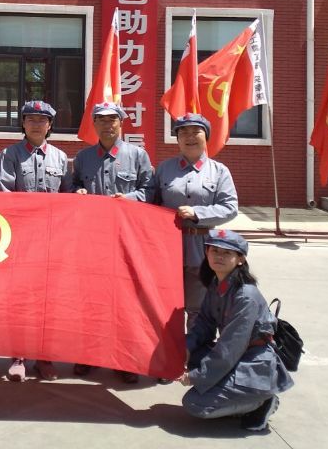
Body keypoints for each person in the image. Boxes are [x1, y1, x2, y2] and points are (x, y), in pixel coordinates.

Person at [177, 229, 293, 432]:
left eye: (227, 253)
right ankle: (236, 392)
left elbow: (230, 347)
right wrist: (187, 347)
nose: (219, 256)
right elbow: (204, 324)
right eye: (214, 251)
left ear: (240, 259)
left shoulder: (245, 295)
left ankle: (261, 401)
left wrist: (197, 376)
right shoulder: (216, 284)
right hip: (237, 354)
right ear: (207, 253)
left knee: (195, 404)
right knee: (188, 354)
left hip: (253, 360)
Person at [70, 101, 154, 383]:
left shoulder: (137, 155)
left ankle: (125, 360)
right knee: (92, 300)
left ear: (121, 123)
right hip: (92, 241)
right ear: (94, 125)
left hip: (125, 240)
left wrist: (127, 199)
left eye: (112, 120)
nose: (107, 125)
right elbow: (73, 185)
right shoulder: (83, 158)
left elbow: (150, 191)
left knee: (125, 302)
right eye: (101, 120)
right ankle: (89, 355)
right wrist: (78, 191)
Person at [0, 100, 71, 381]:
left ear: (50, 126)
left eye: (42, 120)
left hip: (51, 241)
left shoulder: (60, 158)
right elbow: (3, 195)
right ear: (23, 124)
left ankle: (44, 356)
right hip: (20, 241)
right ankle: (18, 355)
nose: (37, 124)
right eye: (31, 119)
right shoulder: (10, 155)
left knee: (48, 300)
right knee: (20, 299)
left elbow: (68, 197)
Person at [153, 113, 238, 330]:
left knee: (198, 308)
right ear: (177, 139)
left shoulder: (219, 171)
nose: (189, 137)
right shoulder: (164, 169)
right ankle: (169, 349)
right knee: (166, 305)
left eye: (195, 132)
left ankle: (195, 348)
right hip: (168, 246)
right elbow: (151, 203)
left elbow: (230, 208)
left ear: (206, 136)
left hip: (202, 246)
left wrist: (197, 213)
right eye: (183, 133)